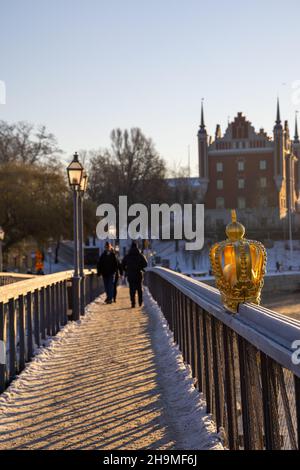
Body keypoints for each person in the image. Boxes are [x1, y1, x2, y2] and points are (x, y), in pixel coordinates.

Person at [122, 241, 147, 308]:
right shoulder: (140, 255)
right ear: (137, 247)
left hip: (130, 274)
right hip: (138, 274)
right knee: (139, 288)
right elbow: (145, 264)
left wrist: (126, 270)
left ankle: (133, 303)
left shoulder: (127, 256)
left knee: (132, 289)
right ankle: (140, 302)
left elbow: (122, 265)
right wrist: (140, 267)